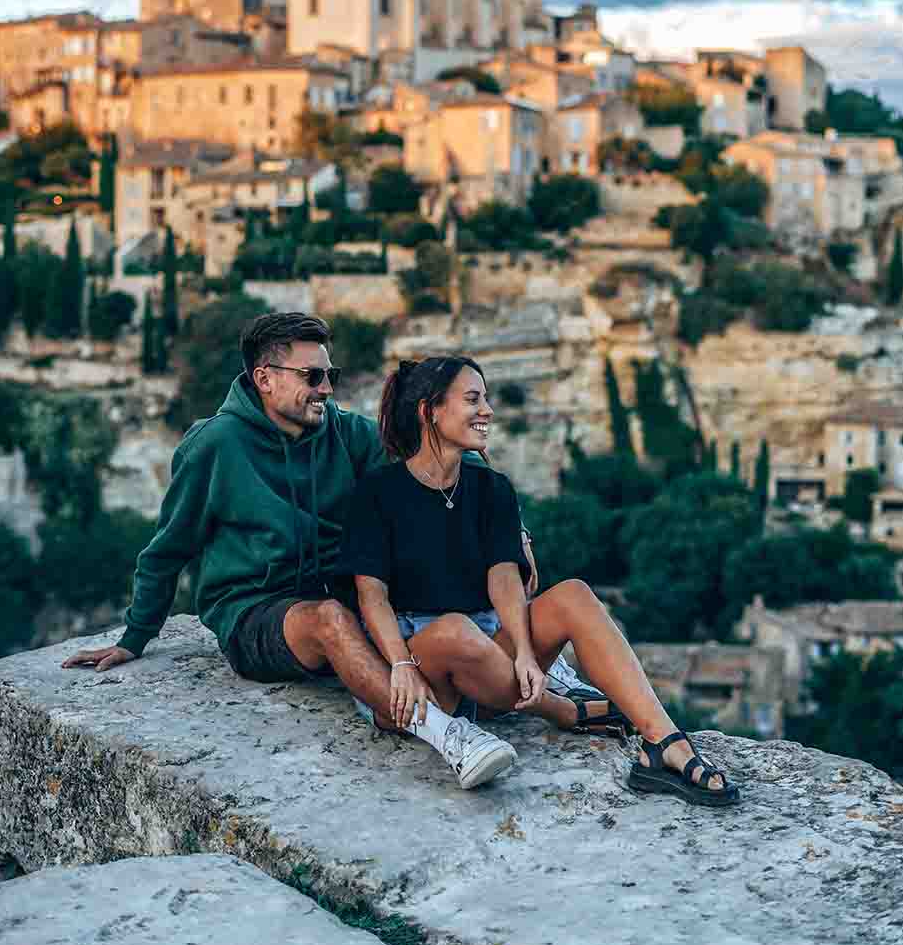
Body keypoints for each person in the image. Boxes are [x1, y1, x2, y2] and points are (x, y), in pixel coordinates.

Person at [63, 311, 605, 789]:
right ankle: (448, 736)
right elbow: (168, 548)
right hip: (260, 612)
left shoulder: (344, 433)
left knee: (426, 556)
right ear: (265, 379)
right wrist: (135, 637)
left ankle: (534, 671)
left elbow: (435, 464)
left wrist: (518, 536)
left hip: (348, 602)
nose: (326, 388)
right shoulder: (215, 446)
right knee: (328, 617)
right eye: (313, 377)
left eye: (331, 376)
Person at [337, 355, 740, 808]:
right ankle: (560, 707)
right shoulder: (379, 491)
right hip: (423, 672)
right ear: (430, 410)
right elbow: (371, 595)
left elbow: (504, 577)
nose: (487, 410)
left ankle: (664, 744)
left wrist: (527, 653)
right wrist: (401, 666)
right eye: (473, 399)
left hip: (490, 667)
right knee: (454, 629)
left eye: (487, 398)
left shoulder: (492, 489)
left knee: (574, 596)